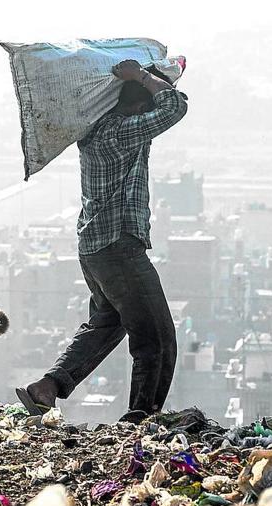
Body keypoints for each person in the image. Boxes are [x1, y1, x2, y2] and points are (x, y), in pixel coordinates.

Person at [16, 59, 188, 424]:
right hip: (118, 248)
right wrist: (142, 76)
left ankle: (47, 387)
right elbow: (175, 106)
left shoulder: (98, 129)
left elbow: (166, 102)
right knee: (156, 338)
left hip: (96, 249)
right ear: (139, 106)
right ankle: (141, 419)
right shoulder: (120, 133)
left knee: (107, 324)